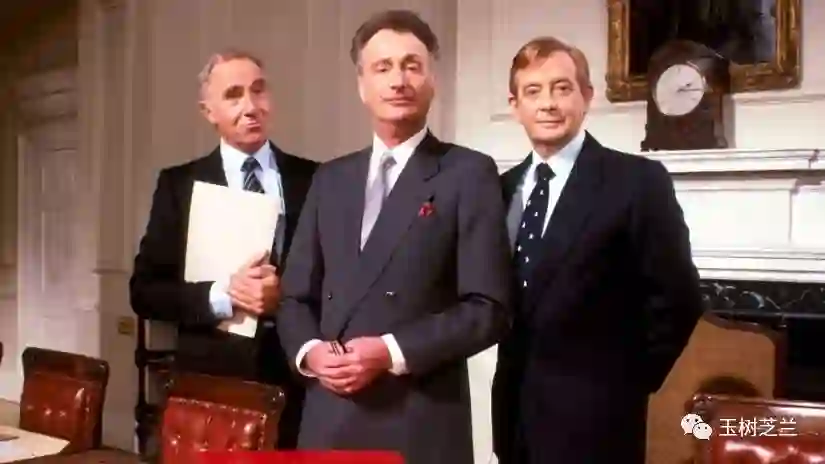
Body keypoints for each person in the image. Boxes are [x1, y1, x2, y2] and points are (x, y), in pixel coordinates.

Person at [276, 9, 511, 464]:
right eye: (383, 67)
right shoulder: (330, 178)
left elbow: (488, 309)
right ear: (362, 85)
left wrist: (388, 351)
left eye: (412, 65)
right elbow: (293, 297)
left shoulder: (468, 173)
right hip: (329, 415)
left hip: (419, 421)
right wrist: (310, 353)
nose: (398, 80)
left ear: (432, 80)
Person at [492, 36, 704, 463]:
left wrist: (627, 381)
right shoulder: (501, 189)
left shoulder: (638, 182)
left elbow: (679, 299)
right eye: (533, 91)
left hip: (600, 423)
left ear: (586, 96)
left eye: (562, 88)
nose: (548, 104)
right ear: (515, 105)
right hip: (515, 421)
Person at [129, 49, 318, 448]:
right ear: (208, 111)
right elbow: (144, 292)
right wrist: (224, 294)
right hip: (211, 386)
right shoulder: (179, 185)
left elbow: (338, 281)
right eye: (233, 95)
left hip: (297, 384)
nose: (251, 106)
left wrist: (284, 296)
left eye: (258, 90)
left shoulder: (316, 178)